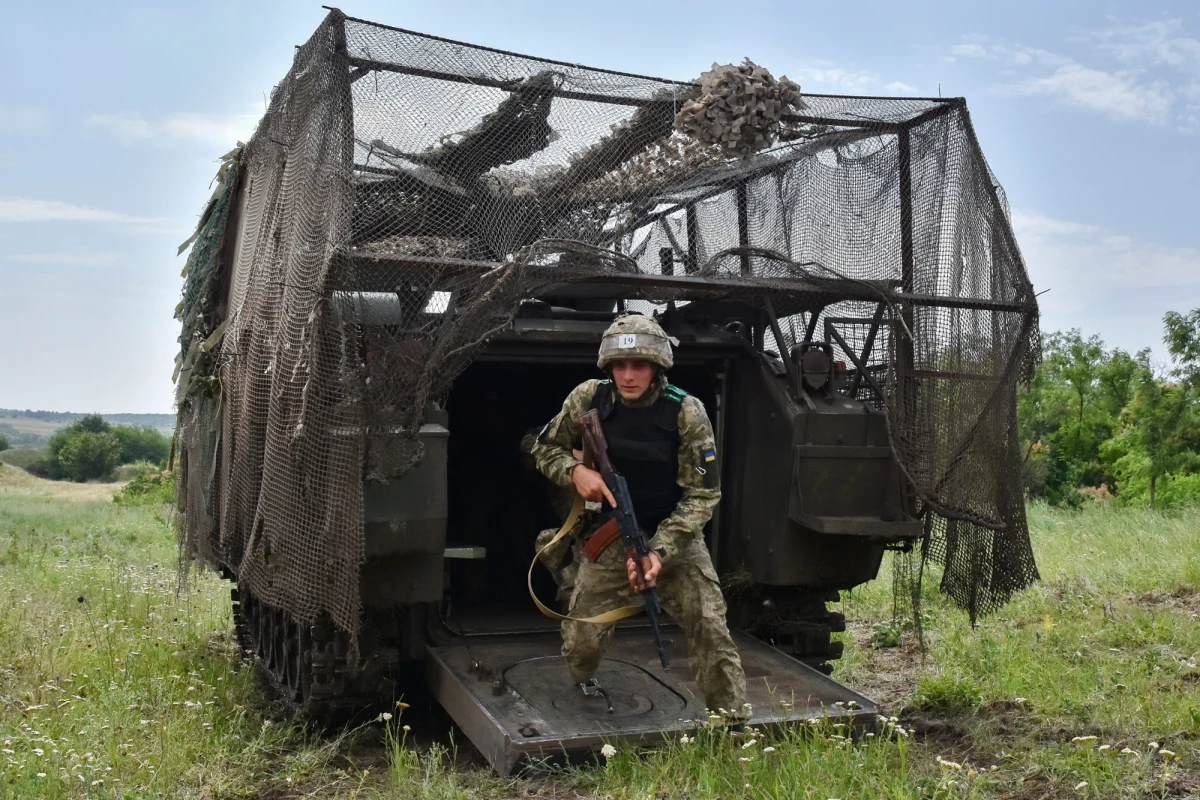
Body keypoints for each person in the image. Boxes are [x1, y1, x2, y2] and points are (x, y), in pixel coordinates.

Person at [531, 314, 748, 724]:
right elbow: (544, 448)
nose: (628, 376)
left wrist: (660, 552)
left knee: (710, 625)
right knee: (581, 651)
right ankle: (570, 573)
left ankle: (732, 724)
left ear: (658, 367)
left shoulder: (686, 411)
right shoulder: (589, 398)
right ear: (608, 368)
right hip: (610, 535)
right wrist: (576, 472)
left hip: (673, 536)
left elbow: (704, 494)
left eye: (640, 365)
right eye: (620, 366)